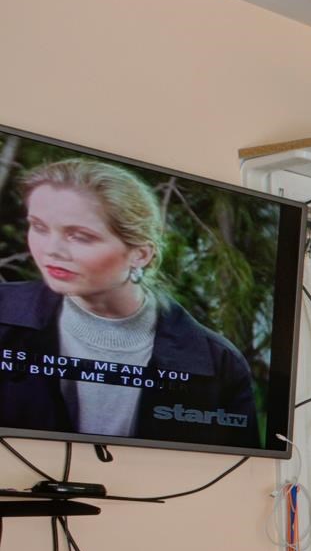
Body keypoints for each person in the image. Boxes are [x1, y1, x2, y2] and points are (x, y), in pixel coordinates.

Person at [2, 157, 262, 448]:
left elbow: (241, 470)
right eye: (38, 227)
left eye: (80, 236)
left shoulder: (219, 363)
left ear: (140, 254)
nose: (51, 250)